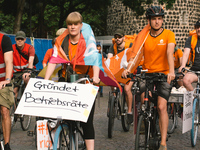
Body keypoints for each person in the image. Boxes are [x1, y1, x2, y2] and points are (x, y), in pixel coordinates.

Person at [44, 12, 100, 150]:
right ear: (67, 26)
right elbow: (53, 60)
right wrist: (45, 80)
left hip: (85, 81)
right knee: (63, 116)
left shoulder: (87, 40)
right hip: (67, 80)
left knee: (87, 121)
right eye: (70, 24)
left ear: (81, 25)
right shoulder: (61, 41)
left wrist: (96, 77)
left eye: (76, 24)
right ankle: (65, 137)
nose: (73, 27)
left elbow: (95, 59)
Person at [122, 6, 176, 150]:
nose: (157, 22)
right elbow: (137, 54)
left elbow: (170, 53)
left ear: (162, 19)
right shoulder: (145, 36)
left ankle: (163, 143)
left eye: (159, 18)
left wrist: (171, 71)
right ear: (149, 20)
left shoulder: (169, 34)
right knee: (143, 101)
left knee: (161, 106)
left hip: (164, 74)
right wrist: (128, 69)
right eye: (154, 19)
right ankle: (144, 120)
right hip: (148, 73)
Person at [107, 28, 134, 124]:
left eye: (119, 37)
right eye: (116, 37)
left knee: (127, 89)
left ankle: (129, 111)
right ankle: (114, 99)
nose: (117, 39)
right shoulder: (112, 47)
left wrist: (128, 69)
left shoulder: (129, 45)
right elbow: (110, 59)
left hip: (129, 70)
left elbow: (132, 58)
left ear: (123, 38)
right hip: (118, 72)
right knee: (111, 78)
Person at [0, 33, 14, 150]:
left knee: (4, 110)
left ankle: (7, 144)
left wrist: (7, 79)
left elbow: (9, 61)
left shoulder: (4, 39)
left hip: (3, 81)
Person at [12, 31, 36, 99]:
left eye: (22, 39)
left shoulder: (30, 48)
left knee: (26, 78)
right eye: (18, 39)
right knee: (14, 91)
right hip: (16, 72)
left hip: (27, 70)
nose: (20, 41)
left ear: (25, 40)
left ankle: (29, 95)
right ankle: (14, 108)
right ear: (15, 39)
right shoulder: (11, 48)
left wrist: (29, 72)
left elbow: (31, 61)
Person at [178, 20, 200, 91]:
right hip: (195, 70)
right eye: (197, 27)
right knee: (185, 80)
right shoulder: (191, 39)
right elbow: (186, 53)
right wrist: (183, 65)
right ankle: (193, 98)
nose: (199, 29)